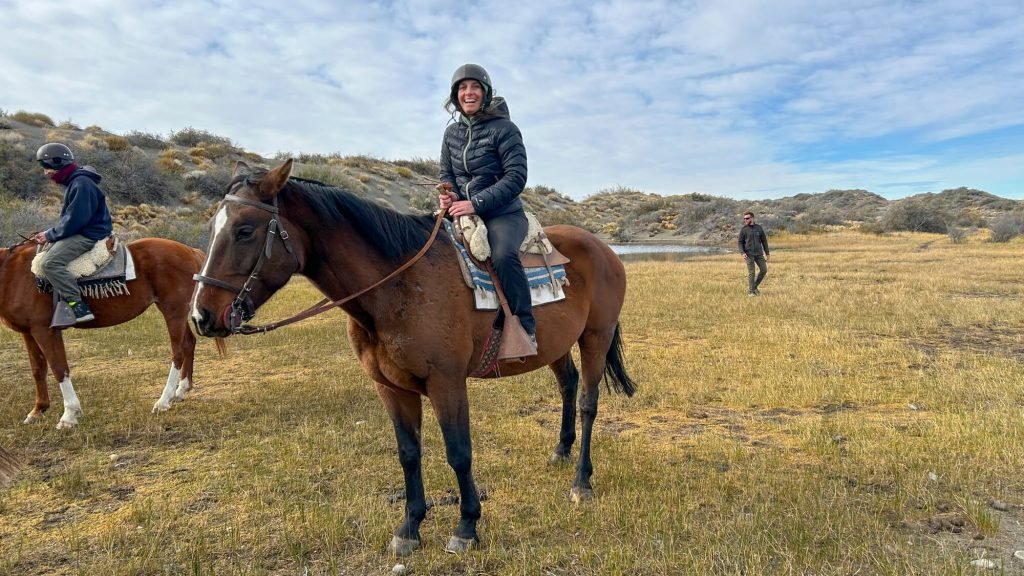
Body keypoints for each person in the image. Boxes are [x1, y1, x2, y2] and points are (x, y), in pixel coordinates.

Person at [437, 63, 536, 356]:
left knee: (503, 255)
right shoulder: (451, 134)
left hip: (503, 212)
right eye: (462, 88)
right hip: (463, 211)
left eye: (475, 87)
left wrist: (476, 203)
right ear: (456, 95)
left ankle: (525, 327)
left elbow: (516, 176)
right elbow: (447, 173)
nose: (469, 93)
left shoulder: (505, 129)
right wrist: (449, 196)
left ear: (485, 93)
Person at [32, 142, 114, 323]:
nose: (45, 172)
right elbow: (72, 218)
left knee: (50, 264)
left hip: (88, 235)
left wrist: (50, 235)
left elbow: (76, 220)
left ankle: (78, 307)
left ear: (57, 162)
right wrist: (50, 232)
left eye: (46, 167)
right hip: (85, 230)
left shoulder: (81, 183)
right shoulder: (77, 182)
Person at [738, 211, 770, 297]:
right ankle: (751, 292)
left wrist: (767, 253)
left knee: (764, 270)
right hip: (748, 254)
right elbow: (740, 242)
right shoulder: (743, 229)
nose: (745, 220)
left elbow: (764, 241)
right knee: (751, 272)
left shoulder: (759, 228)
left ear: (752, 218)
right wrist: (742, 252)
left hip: (759, 254)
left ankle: (754, 286)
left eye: (747, 218)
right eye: (744, 218)